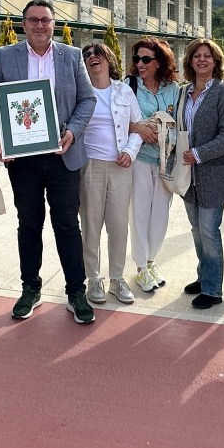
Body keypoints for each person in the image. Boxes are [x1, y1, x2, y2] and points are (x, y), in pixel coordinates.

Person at [0, 0, 97, 324]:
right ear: (23, 25)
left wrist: (73, 131)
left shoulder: (72, 56)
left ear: (53, 24)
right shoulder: (6, 56)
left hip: (64, 156)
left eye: (45, 20)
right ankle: (30, 288)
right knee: (29, 224)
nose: (39, 25)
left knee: (67, 225)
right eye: (33, 20)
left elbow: (87, 99)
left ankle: (76, 291)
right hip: (23, 160)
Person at [178, 38, 224, 309]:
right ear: (190, 61)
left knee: (208, 231)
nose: (202, 60)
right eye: (197, 56)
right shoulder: (183, 93)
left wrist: (199, 153)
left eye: (207, 56)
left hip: (214, 175)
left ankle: (213, 290)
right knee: (196, 230)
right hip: (188, 176)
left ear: (216, 61)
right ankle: (204, 276)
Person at [79, 43, 142, 305]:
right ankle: (93, 278)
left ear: (109, 59)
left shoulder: (124, 91)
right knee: (91, 226)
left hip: (120, 165)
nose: (92, 57)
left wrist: (129, 151)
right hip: (89, 166)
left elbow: (137, 127)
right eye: (87, 55)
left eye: (98, 53)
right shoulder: (79, 91)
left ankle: (117, 278)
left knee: (118, 226)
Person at [127, 37, 181, 292]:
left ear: (159, 62)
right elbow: (115, 121)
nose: (140, 63)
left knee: (160, 214)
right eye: (137, 59)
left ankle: (151, 261)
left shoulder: (174, 89)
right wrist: (137, 127)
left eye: (146, 59)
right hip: (139, 160)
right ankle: (140, 268)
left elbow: (181, 121)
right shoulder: (128, 87)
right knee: (139, 214)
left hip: (166, 162)